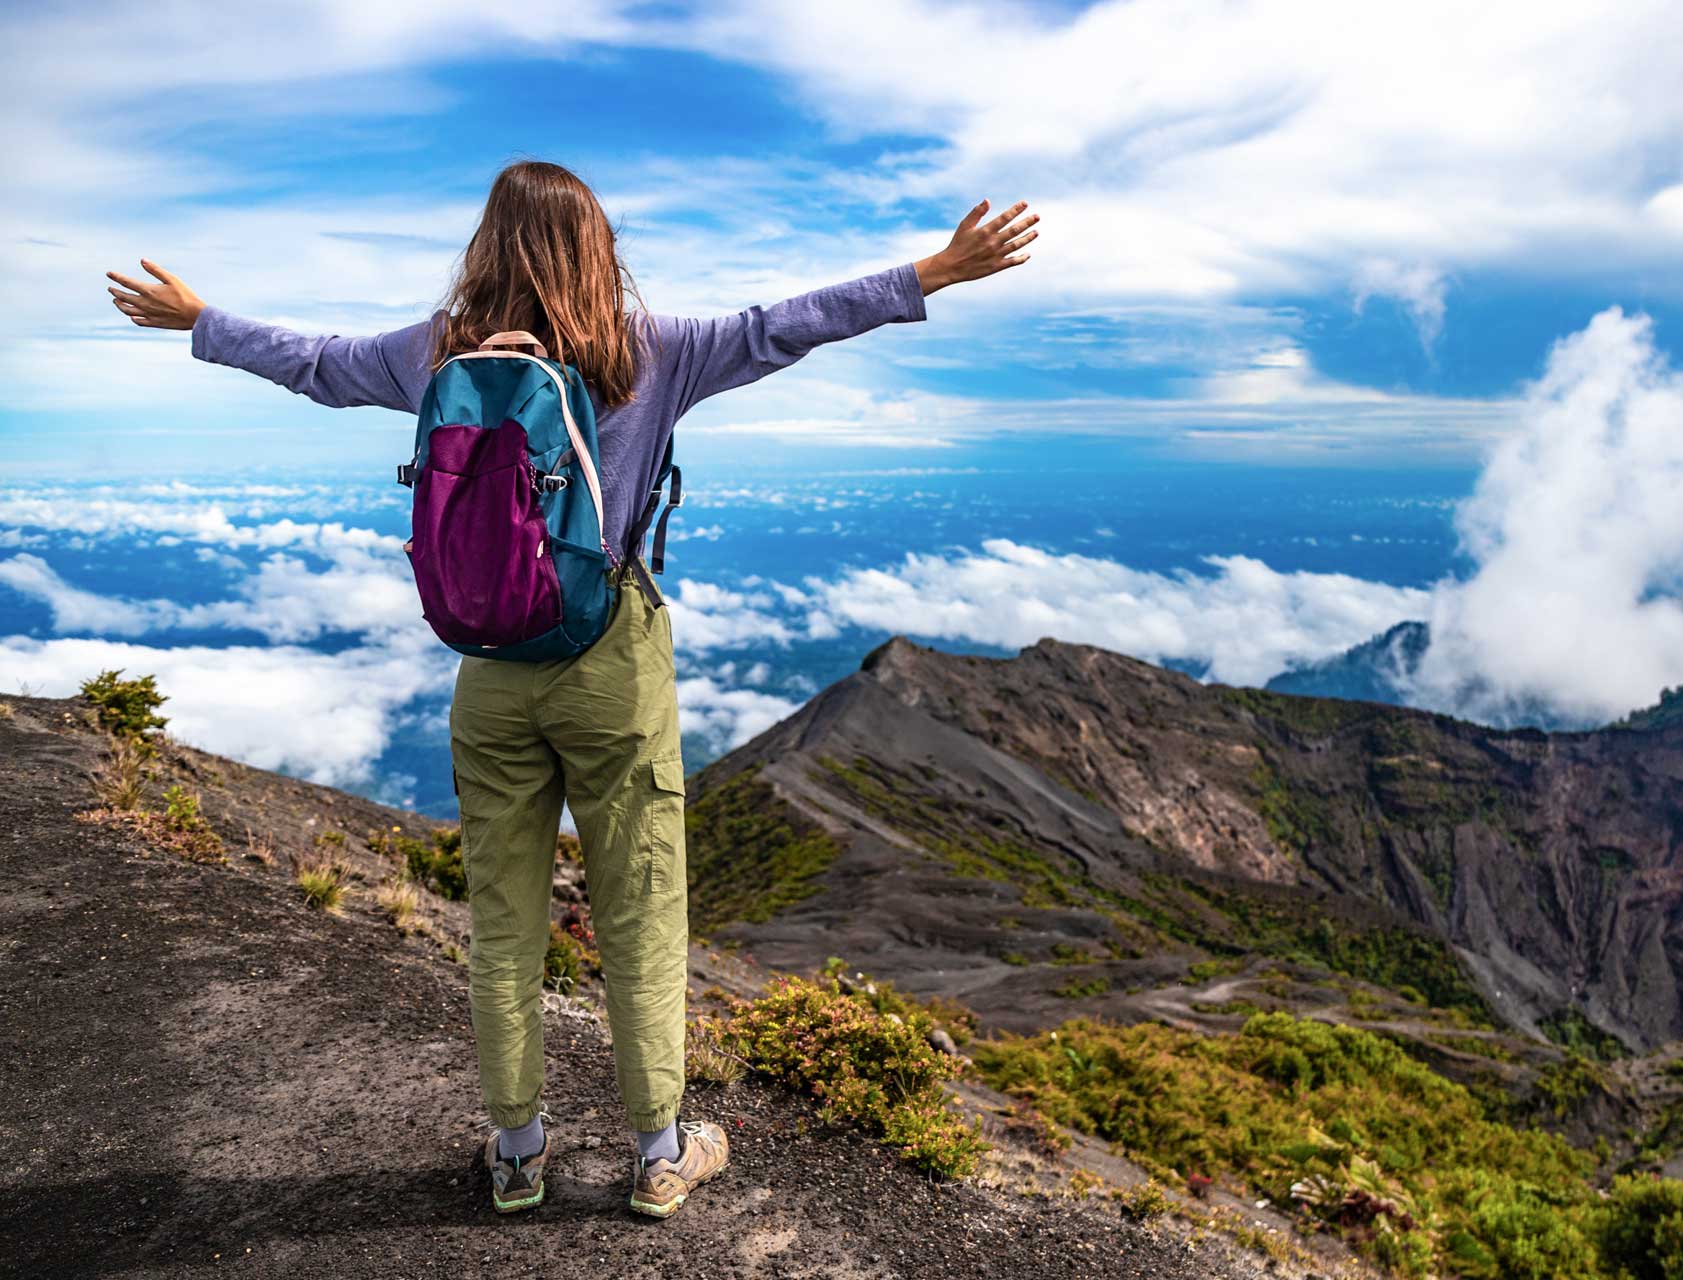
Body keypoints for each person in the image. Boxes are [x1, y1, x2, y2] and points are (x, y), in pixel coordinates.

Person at [105, 159, 1038, 1218]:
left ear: (487, 243)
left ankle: (516, 1153)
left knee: (504, 920)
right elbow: (788, 322)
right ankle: (657, 1152)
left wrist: (199, 319)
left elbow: (315, 362)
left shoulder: (436, 352)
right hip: (613, 664)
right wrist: (935, 271)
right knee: (640, 909)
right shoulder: (653, 348)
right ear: (599, 247)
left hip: (492, 671)